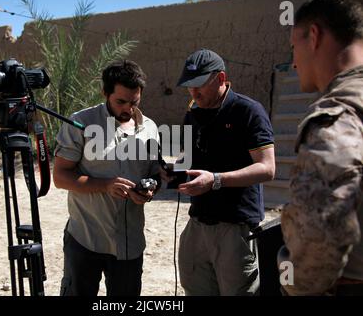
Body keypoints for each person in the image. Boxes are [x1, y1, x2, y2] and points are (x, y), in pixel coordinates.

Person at [170, 49, 275, 296]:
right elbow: (186, 161)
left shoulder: (248, 111)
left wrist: (216, 180)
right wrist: (168, 174)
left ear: (220, 78)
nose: (194, 93)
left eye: (199, 85)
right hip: (197, 223)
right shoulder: (192, 115)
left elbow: (267, 168)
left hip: (235, 229)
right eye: (189, 86)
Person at [277, 0, 363, 296]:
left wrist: (292, 280)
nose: (294, 62)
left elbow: (324, 227)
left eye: (293, 48)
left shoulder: (337, 114)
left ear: (314, 36)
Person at [53, 60, 161, 296]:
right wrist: (104, 185)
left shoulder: (150, 129)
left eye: (134, 102)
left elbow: (155, 174)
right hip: (85, 239)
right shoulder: (81, 123)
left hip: (129, 243)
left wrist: (150, 190)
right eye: (120, 101)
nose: (128, 109)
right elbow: (60, 177)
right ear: (105, 93)